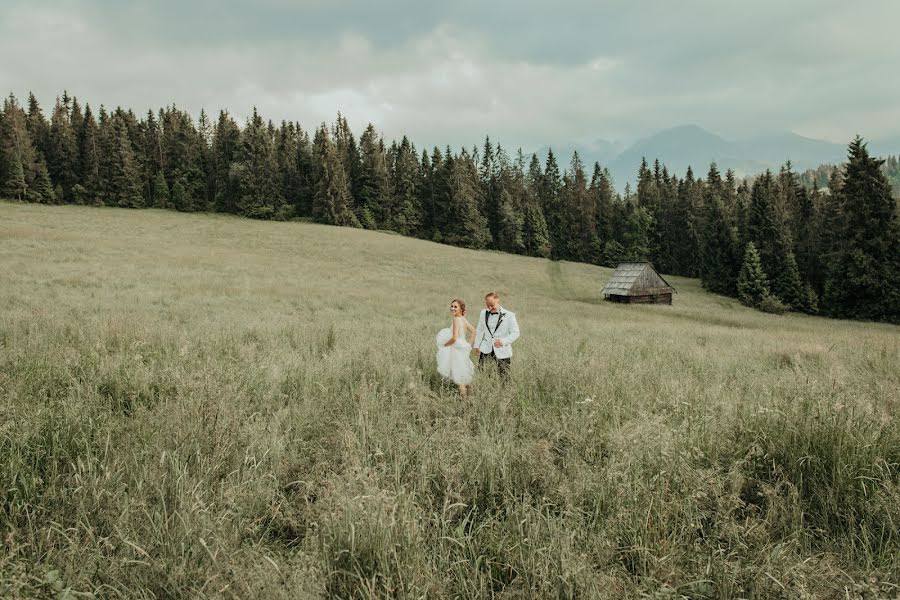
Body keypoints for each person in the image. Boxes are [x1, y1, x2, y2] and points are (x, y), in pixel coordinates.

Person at [473, 292, 520, 379]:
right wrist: (476, 345)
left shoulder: (509, 315)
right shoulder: (483, 313)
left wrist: (503, 342)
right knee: (482, 374)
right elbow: (479, 330)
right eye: (488, 306)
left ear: (498, 301)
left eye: (492, 305)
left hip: (502, 350)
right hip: (486, 348)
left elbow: (516, 332)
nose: (490, 308)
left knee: (504, 376)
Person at [435, 298, 477, 397]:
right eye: (452, 306)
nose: (453, 308)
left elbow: (454, 338)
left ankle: (464, 404)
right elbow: (474, 331)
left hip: (456, 351)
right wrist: (468, 345)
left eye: (455, 307)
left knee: (459, 379)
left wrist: (444, 345)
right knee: (465, 376)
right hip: (463, 349)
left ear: (461, 309)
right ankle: (470, 400)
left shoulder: (456, 319)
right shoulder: (464, 319)